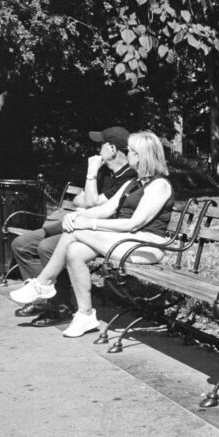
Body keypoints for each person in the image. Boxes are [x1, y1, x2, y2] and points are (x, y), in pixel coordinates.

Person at [8, 130, 174, 338]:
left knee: (76, 232)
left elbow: (134, 223)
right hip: (127, 241)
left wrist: (88, 223)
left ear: (141, 155)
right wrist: (79, 216)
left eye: (130, 151)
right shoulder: (133, 183)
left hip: (146, 245)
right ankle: (84, 314)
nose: (127, 154)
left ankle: (43, 283)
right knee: (75, 250)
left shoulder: (159, 185)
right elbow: (105, 210)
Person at [11, 126, 136, 325]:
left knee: (46, 248)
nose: (98, 149)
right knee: (21, 244)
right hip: (80, 222)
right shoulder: (107, 174)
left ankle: (60, 306)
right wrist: (91, 192)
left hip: (98, 231)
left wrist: (91, 172)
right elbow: (82, 200)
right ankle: (44, 298)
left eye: (101, 145)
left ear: (112, 149)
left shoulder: (128, 177)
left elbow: (92, 202)